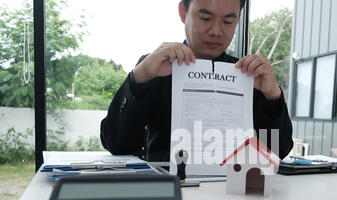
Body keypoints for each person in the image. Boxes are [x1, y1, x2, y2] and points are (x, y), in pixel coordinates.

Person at [100, 0, 293, 163]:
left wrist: (273, 96)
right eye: (205, 18)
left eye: (228, 21)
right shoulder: (156, 68)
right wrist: (139, 78)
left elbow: (277, 153)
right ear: (183, 12)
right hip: (171, 191)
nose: (216, 31)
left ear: (238, 20)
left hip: (233, 193)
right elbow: (116, 145)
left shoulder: (248, 75)